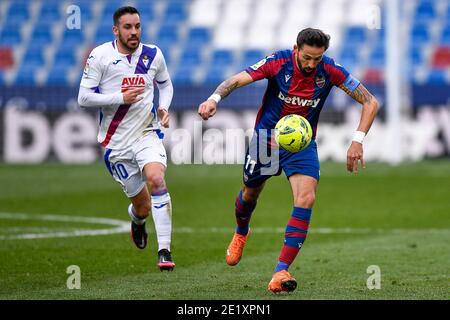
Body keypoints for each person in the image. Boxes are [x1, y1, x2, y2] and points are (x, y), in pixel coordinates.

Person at [198, 28, 379, 293]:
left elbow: (370, 102)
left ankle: (280, 271)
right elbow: (237, 80)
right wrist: (214, 99)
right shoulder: (278, 62)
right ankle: (241, 231)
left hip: (302, 144)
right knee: (249, 195)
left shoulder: (330, 70)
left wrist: (358, 140)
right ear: (296, 49)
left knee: (306, 198)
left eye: (317, 59)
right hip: (266, 140)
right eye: (307, 57)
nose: (311, 64)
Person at [78, 6, 175, 271]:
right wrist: (120, 98)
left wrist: (164, 107)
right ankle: (138, 220)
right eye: (128, 27)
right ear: (116, 30)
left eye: (137, 26)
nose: (134, 32)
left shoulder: (153, 54)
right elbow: (84, 97)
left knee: (157, 178)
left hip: (147, 134)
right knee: (142, 207)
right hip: (116, 144)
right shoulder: (100, 56)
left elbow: (165, 84)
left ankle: (164, 251)